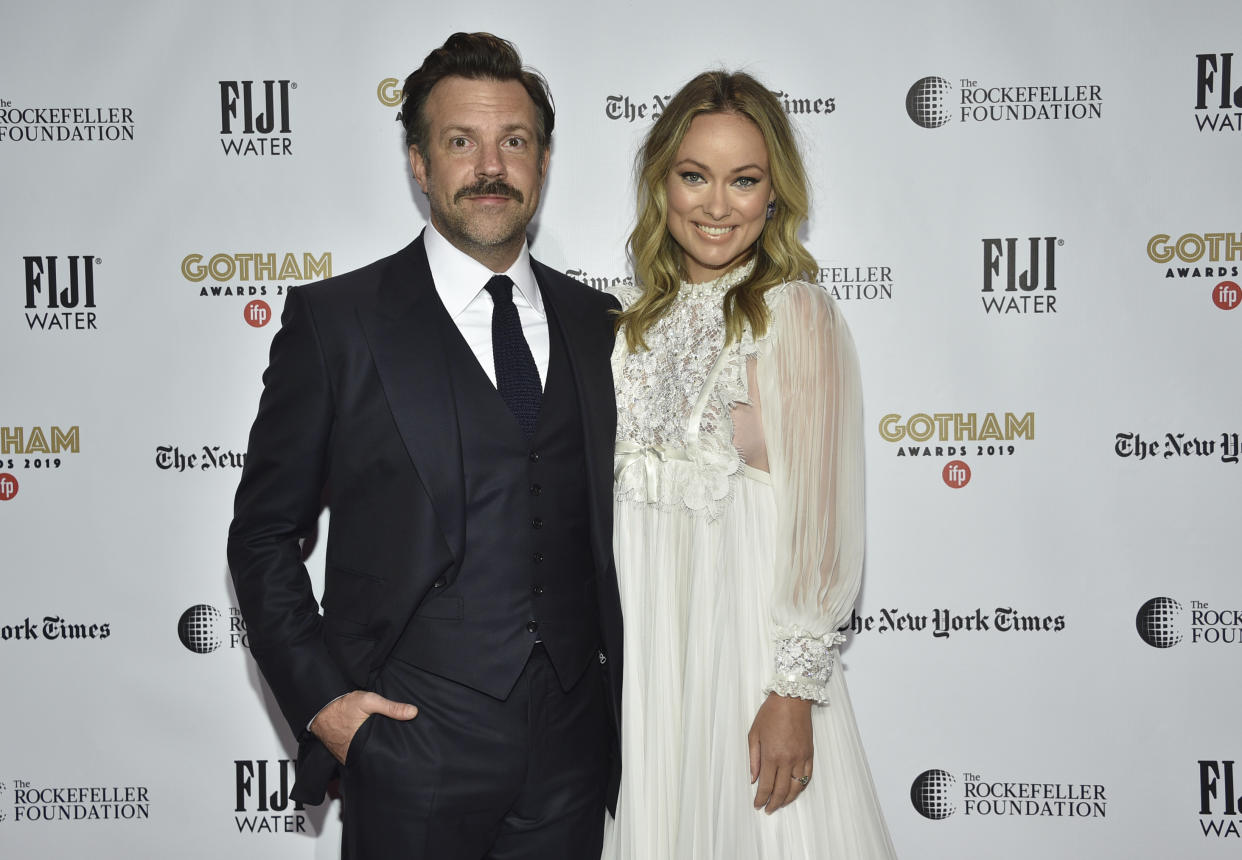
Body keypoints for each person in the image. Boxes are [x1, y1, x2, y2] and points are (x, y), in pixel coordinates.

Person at [227, 32, 623, 860]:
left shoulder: (600, 327)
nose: (490, 166)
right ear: (418, 162)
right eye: (460, 142)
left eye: (513, 142)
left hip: (573, 753)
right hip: (410, 744)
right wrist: (326, 707)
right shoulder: (339, 323)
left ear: (543, 163)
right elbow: (263, 534)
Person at [603, 71, 897, 858]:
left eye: (744, 180)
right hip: (650, 678)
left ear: (775, 195)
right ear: (662, 184)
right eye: (694, 176)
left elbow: (823, 520)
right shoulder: (629, 332)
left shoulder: (795, 314)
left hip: (749, 669)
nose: (716, 204)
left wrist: (791, 693)